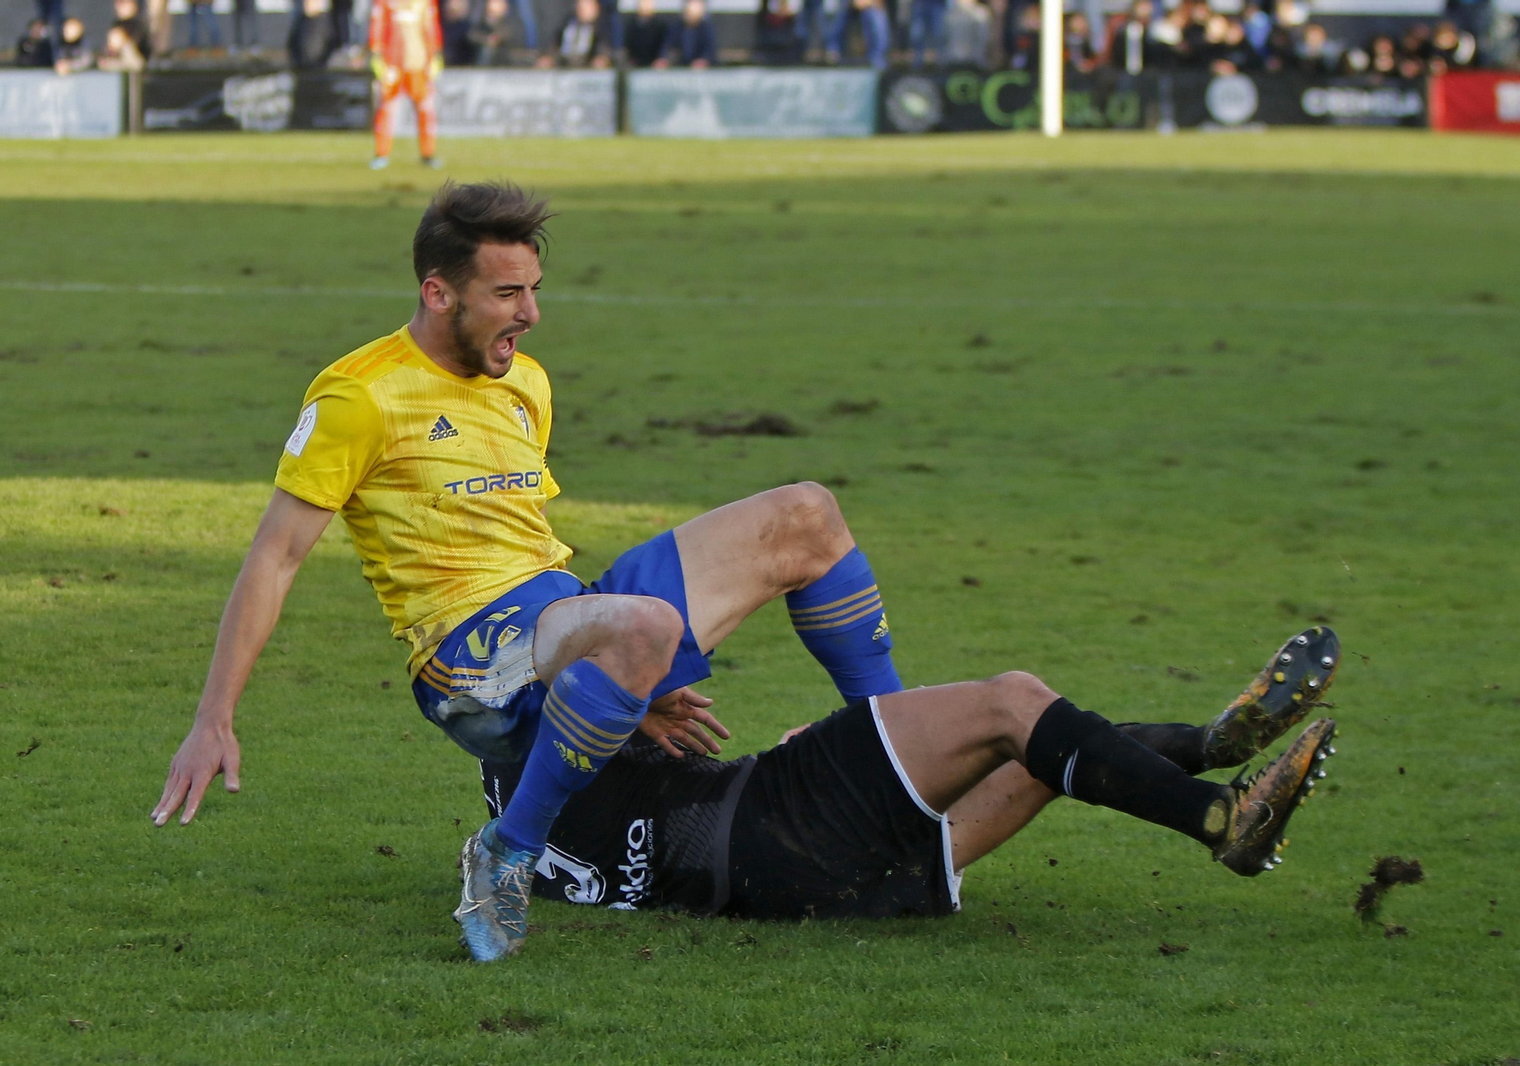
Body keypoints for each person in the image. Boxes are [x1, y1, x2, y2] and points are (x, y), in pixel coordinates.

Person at [150, 183, 907, 965]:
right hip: (470, 665)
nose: (530, 314)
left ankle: (889, 742)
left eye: (535, 290)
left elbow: (527, 542)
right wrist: (214, 717)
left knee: (807, 514)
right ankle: (504, 855)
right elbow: (274, 558)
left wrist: (616, 677)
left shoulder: (526, 383)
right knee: (644, 624)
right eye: (507, 293)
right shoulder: (359, 396)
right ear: (438, 293)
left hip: (564, 616)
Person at [493, 629, 1344, 919]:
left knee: (1045, 756)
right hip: (766, 817)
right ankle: (1219, 817)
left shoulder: (517, 823)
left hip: (795, 896)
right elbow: (600, 668)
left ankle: (1207, 744)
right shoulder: (549, 739)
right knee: (1012, 706)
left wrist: (636, 713)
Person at [368, 0, 444, 170]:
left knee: (425, 108)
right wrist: (377, 54)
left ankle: (428, 153)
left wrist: (435, 54)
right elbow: (378, 25)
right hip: (393, 61)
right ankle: (381, 154)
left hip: (419, 62)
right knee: (387, 108)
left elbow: (431, 25)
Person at [537, 0, 610, 68]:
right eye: (580, 6)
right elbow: (555, 45)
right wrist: (549, 57)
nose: (582, 9)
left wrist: (601, 59)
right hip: (562, 63)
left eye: (587, 6)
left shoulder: (600, 30)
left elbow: (603, 50)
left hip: (585, 65)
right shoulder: (567, 24)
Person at [660, 0, 717, 67]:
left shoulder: (707, 29)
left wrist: (703, 60)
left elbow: (710, 50)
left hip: (702, 71)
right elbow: (668, 46)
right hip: (680, 68)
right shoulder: (676, 27)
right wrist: (665, 59)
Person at [622, 0, 670, 67]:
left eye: (648, 2)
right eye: (643, 2)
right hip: (635, 64)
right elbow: (626, 46)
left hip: (655, 65)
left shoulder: (661, 25)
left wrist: (661, 59)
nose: (645, 6)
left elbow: (665, 45)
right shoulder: (630, 25)